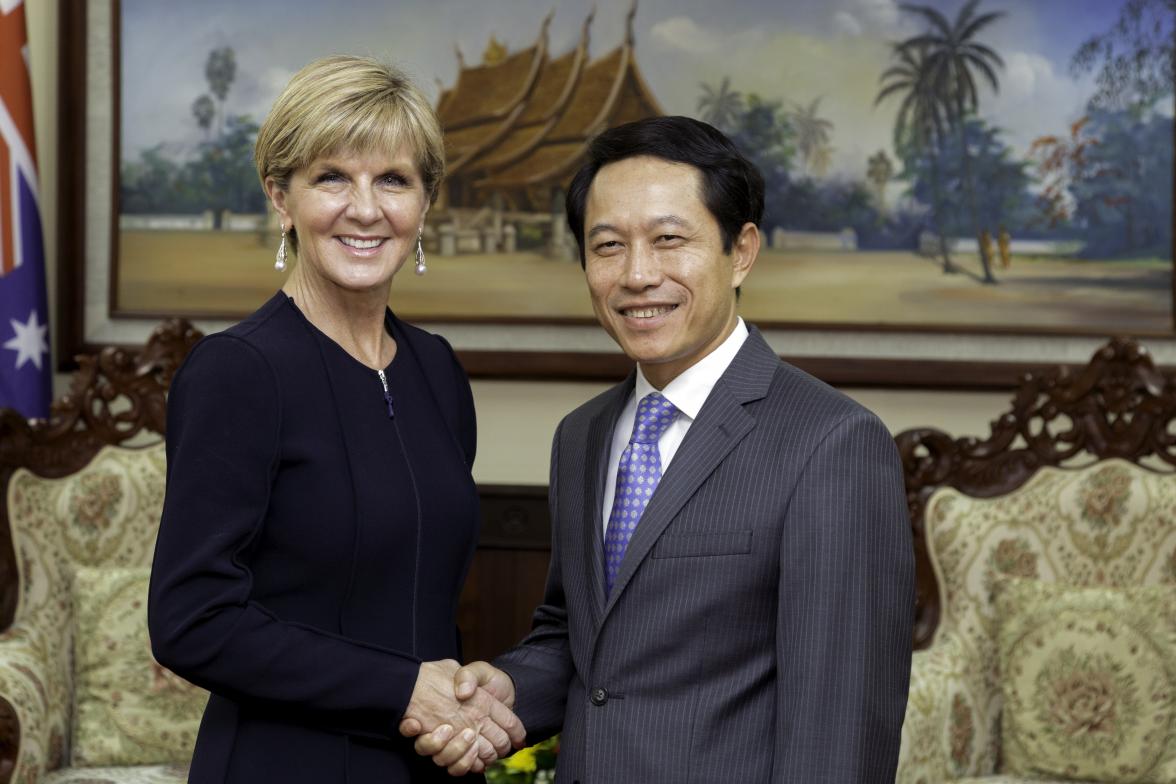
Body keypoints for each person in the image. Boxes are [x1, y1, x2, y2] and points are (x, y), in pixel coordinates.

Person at [408, 116, 915, 781]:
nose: (637, 275)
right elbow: (584, 640)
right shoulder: (582, 436)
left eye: (669, 240)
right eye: (608, 245)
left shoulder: (833, 443)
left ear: (741, 252)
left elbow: (838, 728)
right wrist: (506, 692)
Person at [147, 56, 523, 783]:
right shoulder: (236, 371)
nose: (365, 208)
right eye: (331, 178)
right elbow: (192, 620)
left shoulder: (437, 370)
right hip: (284, 763)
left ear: (425, 202)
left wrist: (460, 708)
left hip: (432, 764)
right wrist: (403, 688)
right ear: (280, 198)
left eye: (393, 180)